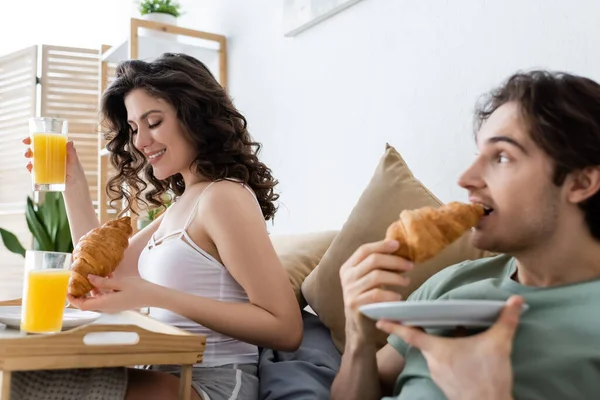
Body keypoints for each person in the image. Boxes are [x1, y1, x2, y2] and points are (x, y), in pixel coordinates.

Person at [17, 53, 303, 400]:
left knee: (29, 384)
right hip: (163, 372)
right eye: (135, 128)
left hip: (211, 383)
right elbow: (101, 273)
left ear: (195, 115)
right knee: (25, 376)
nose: (139, 142)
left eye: (153, 122)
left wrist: (156, 295)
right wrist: (73, 183)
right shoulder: (181, 205)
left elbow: (285, 328)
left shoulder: (223, 197)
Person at [331, 70, 600, 400]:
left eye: (502, 156)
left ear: (580, 183)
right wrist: (357, 333)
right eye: (478, 157)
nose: (466, 178)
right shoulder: (451, 283)